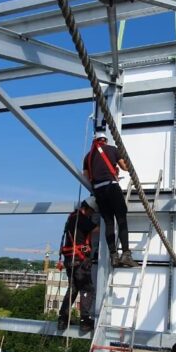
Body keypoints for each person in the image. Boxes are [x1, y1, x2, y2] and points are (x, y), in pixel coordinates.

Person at [83, 130, 134, 268]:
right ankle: (126, 254)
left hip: (98, 191)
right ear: (105, 140)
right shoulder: (112, 149)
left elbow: (86, 176)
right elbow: (124, 167)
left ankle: (113, 256)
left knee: (109, 222)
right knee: (121, 219)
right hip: (111, 186)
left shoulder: (88, 157)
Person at [57, 196, 98, 334]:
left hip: (69, 260)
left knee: (73, 289)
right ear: (86, 209)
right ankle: (85, 321)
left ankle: (63, 319)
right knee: (87, 289)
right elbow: (97, 229)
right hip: (80, 261)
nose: (92, 214)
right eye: (92, 212)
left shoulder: (71, 218)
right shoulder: (82, 219)